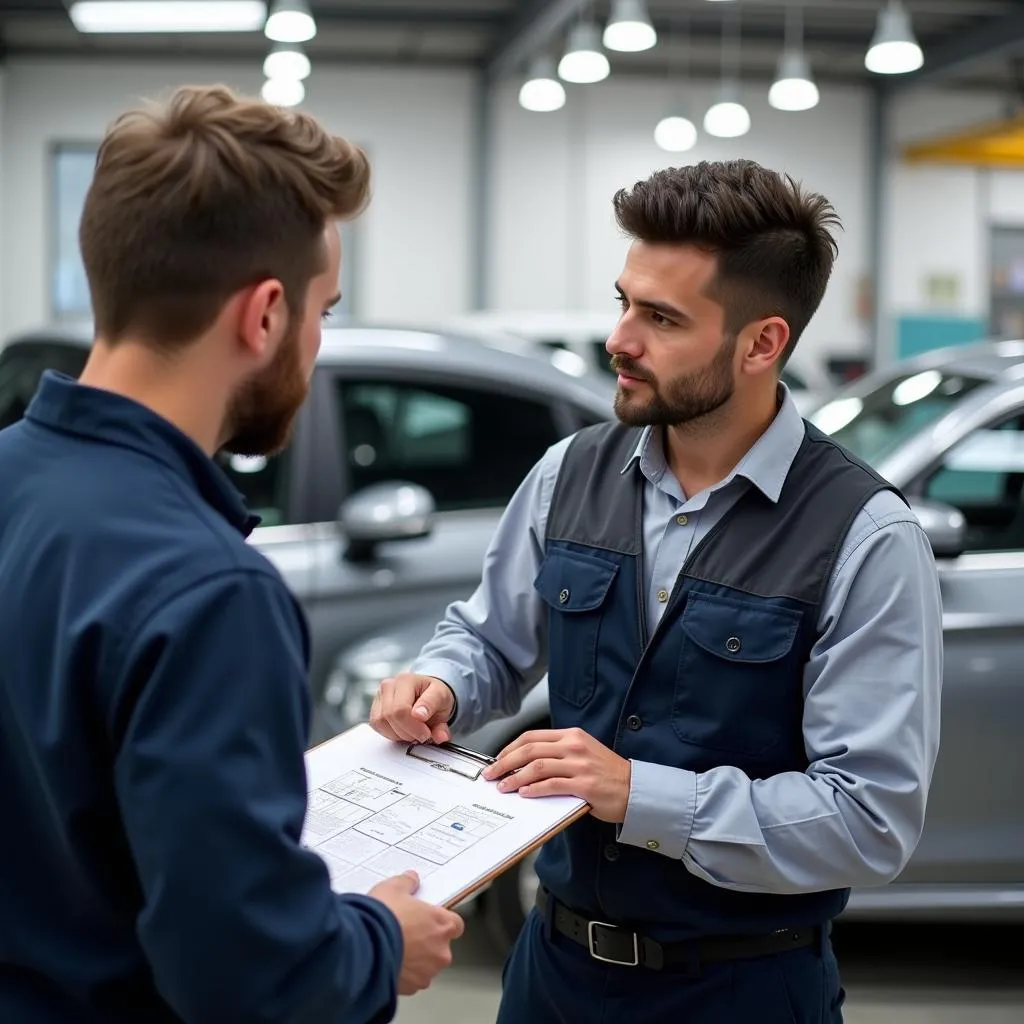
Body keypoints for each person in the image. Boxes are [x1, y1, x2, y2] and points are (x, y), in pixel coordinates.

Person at [370, 159, 943, 1023]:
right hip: (551, 978)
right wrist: (442, 680)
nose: (620, 339)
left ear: (762, 343)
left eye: (662, 318)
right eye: (624, 301)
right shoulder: (570, 473)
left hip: (743, 990)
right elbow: (489, 640)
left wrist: (639, 794)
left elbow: (869, 820)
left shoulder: (864, 537)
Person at [0, 84, 463, 1023]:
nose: (318, 340)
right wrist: (380, 942)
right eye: (322, 311)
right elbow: (247, 977)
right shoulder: (209, 591)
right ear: (263, 315)